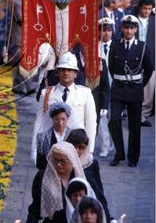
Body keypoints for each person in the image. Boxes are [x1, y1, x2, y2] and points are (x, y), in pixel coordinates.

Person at [21, 142, 86, 223]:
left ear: (72, 159)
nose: (58, 164)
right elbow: (36, 206)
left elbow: (94, 203)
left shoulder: (79, 178)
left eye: (62, 161)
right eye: (55, 160)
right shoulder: (43, 177)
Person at [108, 15, 153, 167]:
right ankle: (119, 153)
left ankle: (133, 158)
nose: (128, 31)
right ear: (121, 28)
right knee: (114, 119)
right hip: (119, 89)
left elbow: (149, 68)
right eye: (126, 27)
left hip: (135, 90)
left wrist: (140, 84)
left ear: (135, 29)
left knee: (134, 125)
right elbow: (111, 66)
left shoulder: (142, 46)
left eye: (131, 28)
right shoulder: (115, 45)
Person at [33, 52, 97, 156]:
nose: (66, 73)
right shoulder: (47, 93)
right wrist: (34, 149)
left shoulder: (85, 93)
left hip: (76, 146)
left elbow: (91, 124)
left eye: (70, 70)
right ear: (57, 72)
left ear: (76, 73)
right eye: (63, 69)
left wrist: (89, 151)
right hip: (52, 147)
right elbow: (39, 122)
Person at [66, 129, 112, 223]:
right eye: (74, 146)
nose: (77, 151)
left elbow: (99, 193)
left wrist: (107, 220)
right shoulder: (63, 163)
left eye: (81, 147)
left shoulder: (91, 163)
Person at [35, 102, 72, 169]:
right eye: (57, 119)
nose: (60, 123)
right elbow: (40, 163)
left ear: (68, 118)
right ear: (52, 119)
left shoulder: (73, 136)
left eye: (63, 119)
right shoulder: (43, 137)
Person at [136, 0, 155, 127]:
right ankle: (135, 114)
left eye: (149, 9)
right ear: (140, 7)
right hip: (134, 58)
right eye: (145, 8)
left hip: (151, 58)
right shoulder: (132, 19)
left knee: (149, 90)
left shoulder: (154, 21)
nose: (147, 11)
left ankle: (142, 116)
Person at [97, 18, 115, 157]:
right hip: (101, 86)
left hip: (115, 85)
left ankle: (114, 142)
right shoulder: (94, 47)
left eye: (109, 30)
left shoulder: (117, 46)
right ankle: (104, 146)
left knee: (114, 117)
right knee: (101, 115)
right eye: (103, 30)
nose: (106, 33)